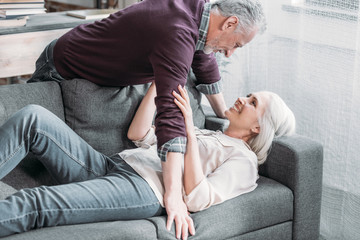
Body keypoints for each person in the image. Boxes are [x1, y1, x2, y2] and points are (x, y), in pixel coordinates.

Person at [27, 0, 266, 232]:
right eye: (237, 44)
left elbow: (203, 59)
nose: (229, 54)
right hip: (64, 63)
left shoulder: (201, 14)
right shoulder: (178, 31)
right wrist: (172, 195)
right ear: (230, 23)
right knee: (28, 143)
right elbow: (170, 116)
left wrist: (224, 114)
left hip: (131, 170)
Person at [0, 82, 295, 239]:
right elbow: (138, 134)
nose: (243, 99)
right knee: (33, 118)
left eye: (253, 102)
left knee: (38, 202)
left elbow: (197, 197)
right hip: (112, 165)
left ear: (259, 127)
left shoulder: (243, 161)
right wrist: (158, 84)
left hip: (142, 188)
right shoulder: (208, 131)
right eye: (248, 95)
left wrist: (188, 132)